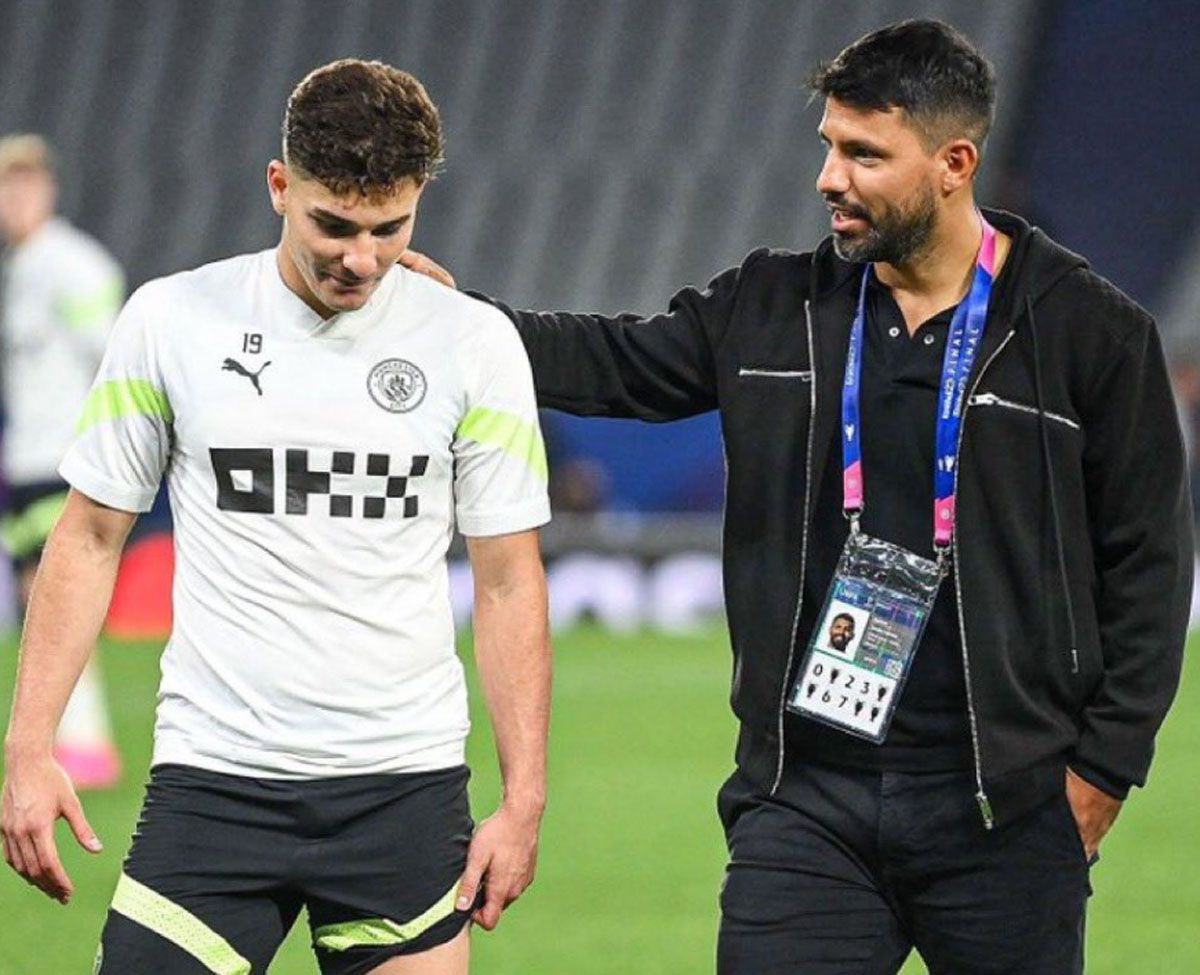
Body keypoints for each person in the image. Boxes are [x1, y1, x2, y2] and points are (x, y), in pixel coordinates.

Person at [403, 20, 1192, 974]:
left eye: (865, 154)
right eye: (829, 145)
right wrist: (458, 323)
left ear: (954, 163)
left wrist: (1102, 773)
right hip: (808, 802)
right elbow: (614, 360)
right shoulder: (774, 306)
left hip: (1005, 808)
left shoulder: (1090, 334)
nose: (831, 178)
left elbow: (1149, 565)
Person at [2, 59, 552, 975]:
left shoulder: (473, 341)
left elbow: (506, 576)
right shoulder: (171, 320)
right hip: (215, 783)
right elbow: (90, 536)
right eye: (333, 225)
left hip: (404, 790)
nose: (362, 259)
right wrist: (28, 748)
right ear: (279, 185)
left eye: (391, 228)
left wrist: (524, 796)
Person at [0, 134, 125, 790]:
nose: (13, 200)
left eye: (24, 186)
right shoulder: (22, 268)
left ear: (46, 191)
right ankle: (70, 741)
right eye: (5, 187)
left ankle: (84, 745)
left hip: (61, 460)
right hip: (24, 462)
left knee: (52, 604)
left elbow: (109, 359)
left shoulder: (74, 264)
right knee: (33, 607)